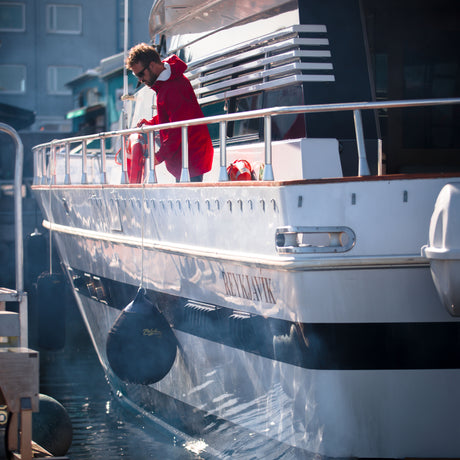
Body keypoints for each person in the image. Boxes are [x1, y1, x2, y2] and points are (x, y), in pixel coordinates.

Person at [126, 43, 213, 182]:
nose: (140, 80)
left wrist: (159, 156)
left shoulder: (173, 86)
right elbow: (173, 115)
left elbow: (177, 128)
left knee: (187, 194)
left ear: (152, 65)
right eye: (137, 76)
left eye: (141, 74)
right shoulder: (167, 82)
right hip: (188, 155)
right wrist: (152, 122)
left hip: (190, 157)